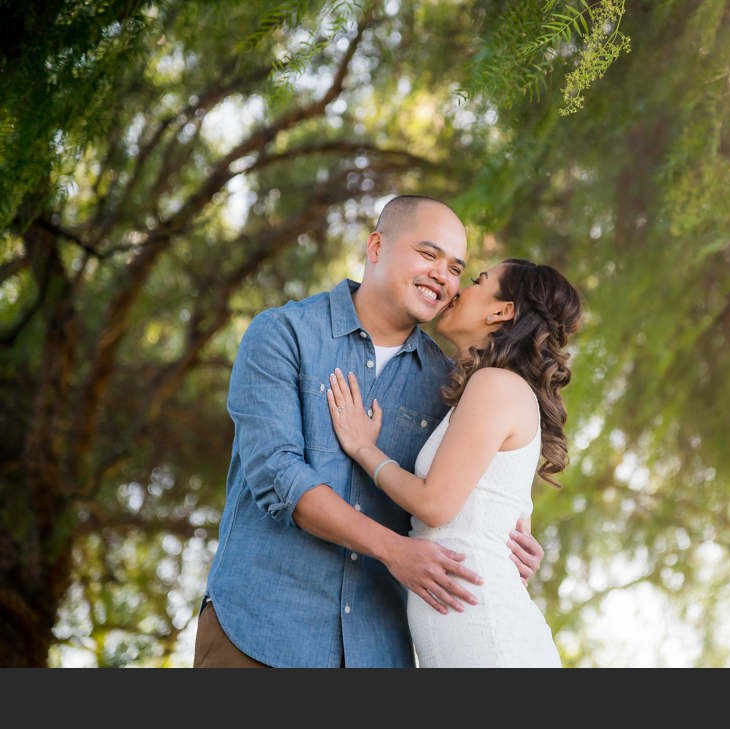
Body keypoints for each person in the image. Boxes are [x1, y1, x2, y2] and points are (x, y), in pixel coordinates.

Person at [194, 196, 545, 668]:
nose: (443, 275)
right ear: (376, 245)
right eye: (428, 254)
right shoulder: (283, 334)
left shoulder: (451, 388)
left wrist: (512, 542)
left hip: (377, 651)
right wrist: (393, 550)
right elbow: (278, 476)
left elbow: (471, 492)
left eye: (457, 267)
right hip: (261, 632)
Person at [326, 257, 582, 667]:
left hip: (489, 638)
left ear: (501, 310)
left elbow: (435, 505)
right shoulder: (494, 389)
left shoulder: (496, 385)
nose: (460, 287)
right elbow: (514, 527)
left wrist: (363, 448)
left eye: (479, 281)